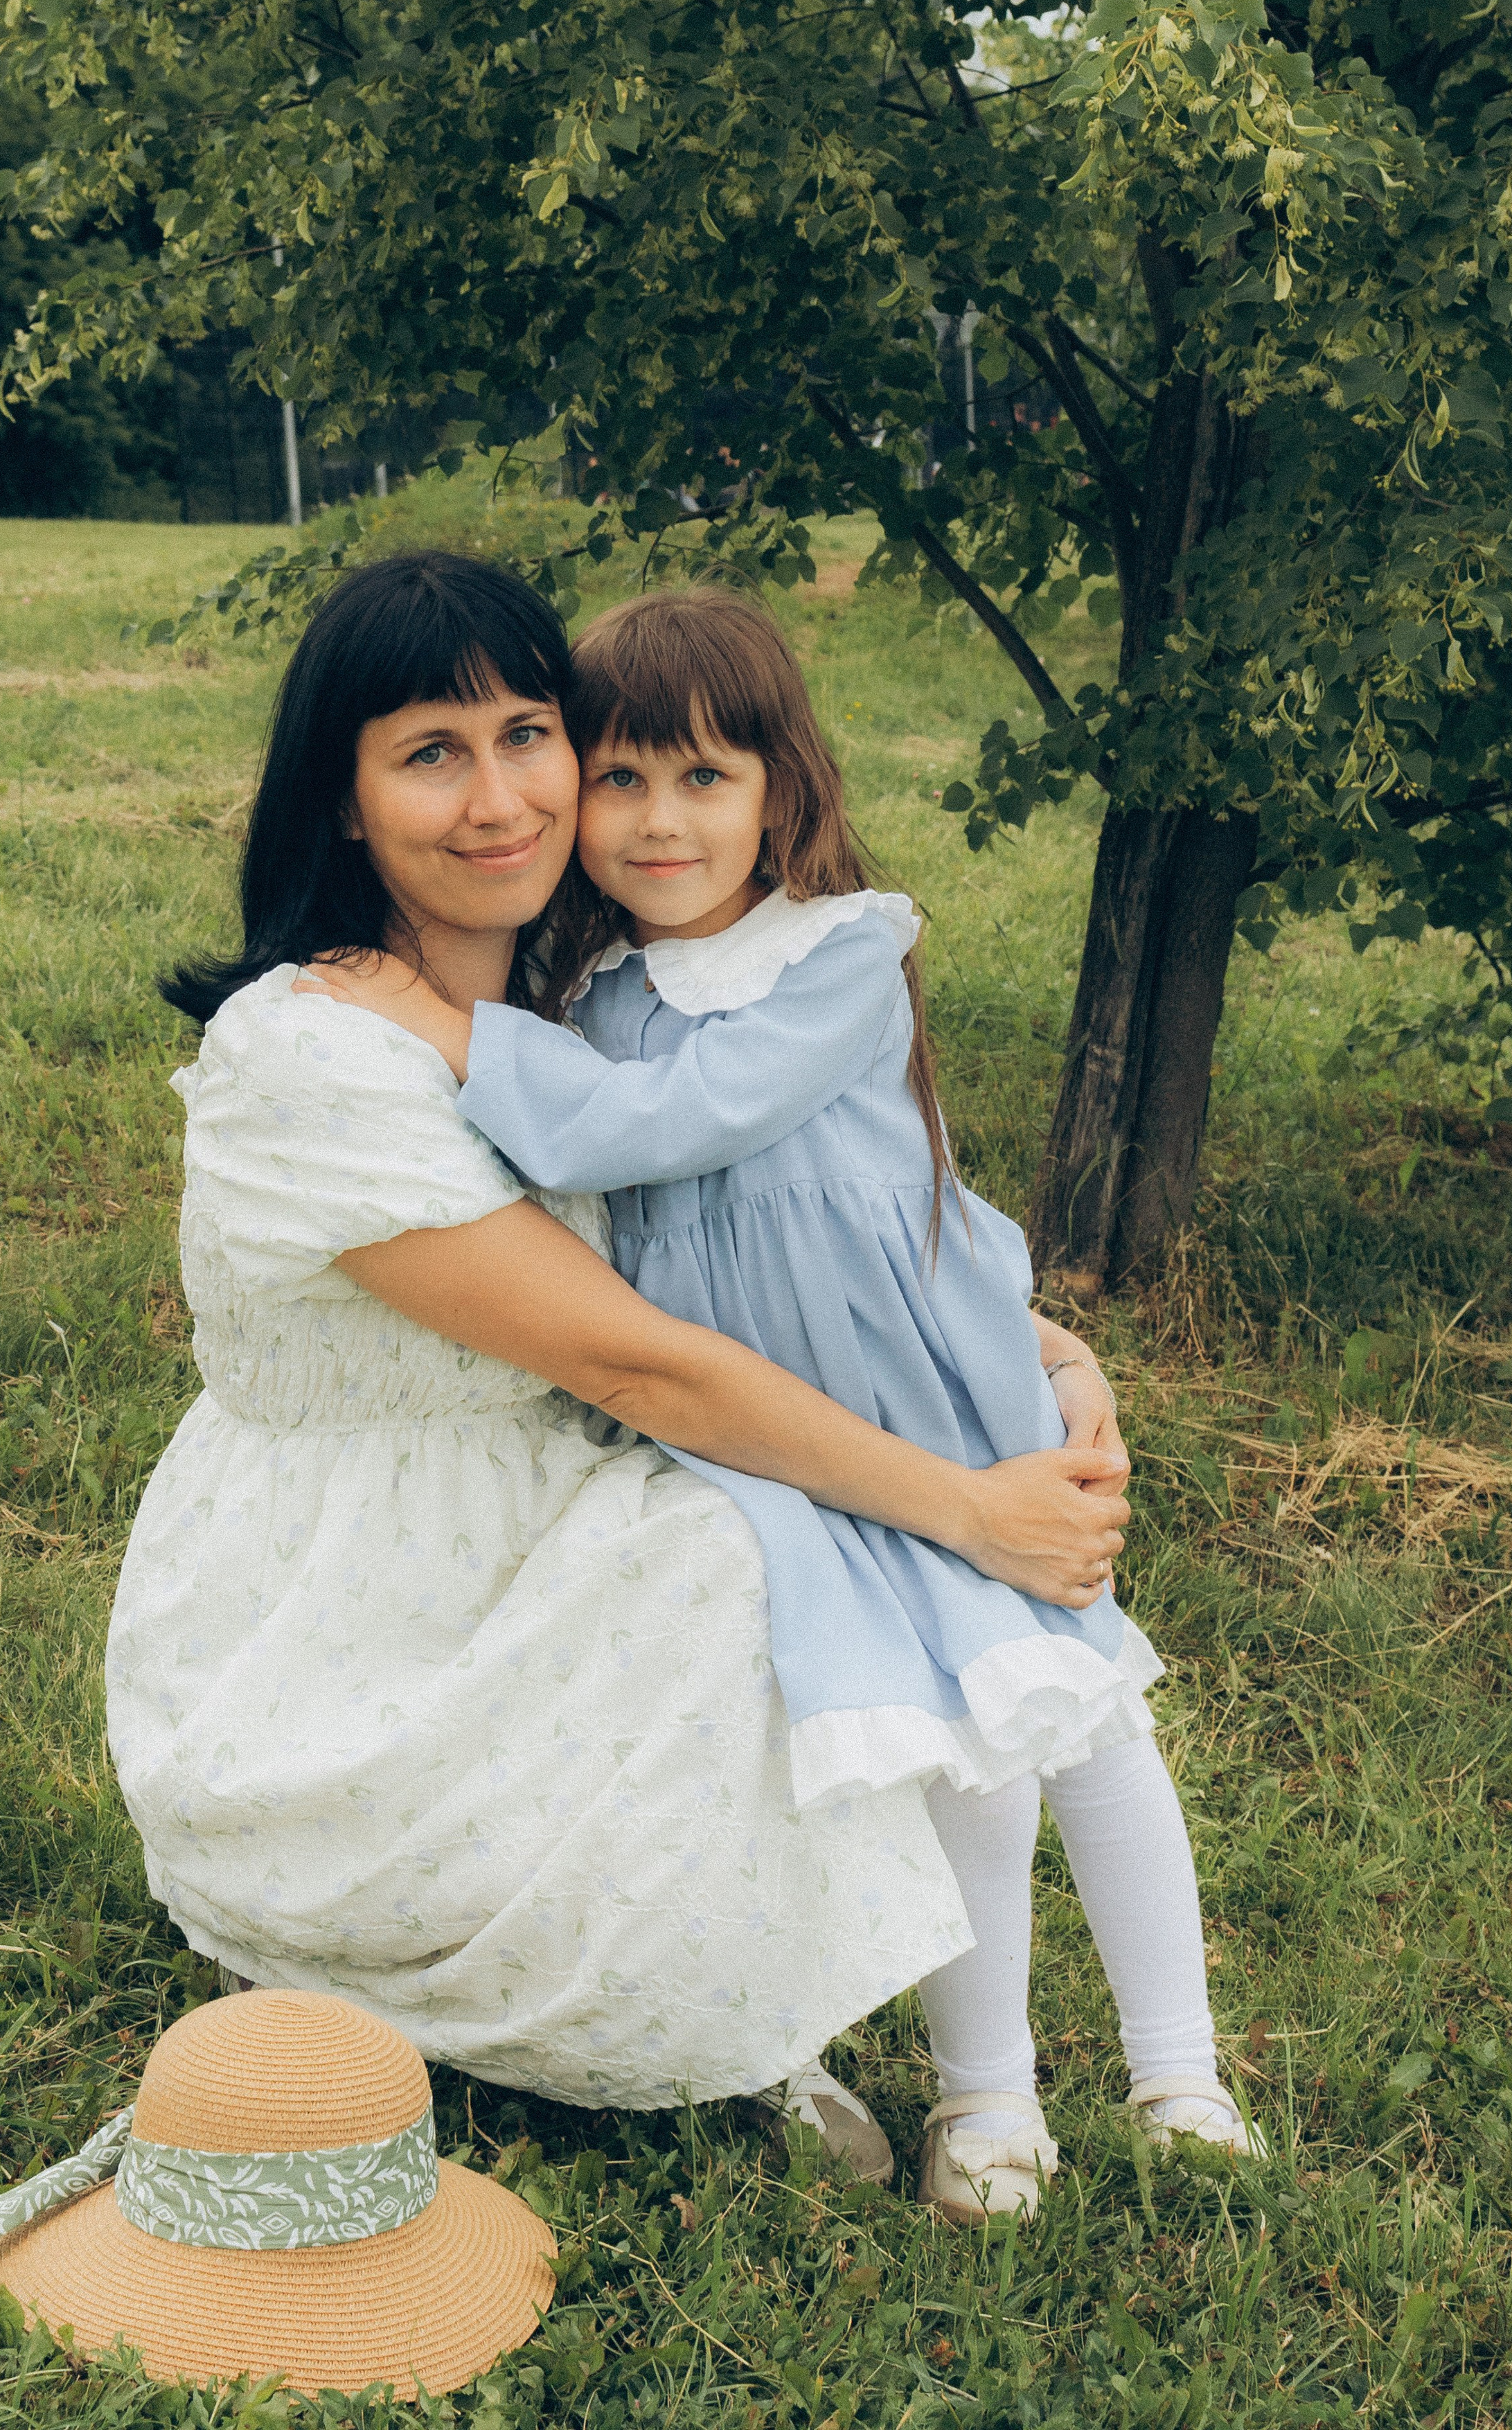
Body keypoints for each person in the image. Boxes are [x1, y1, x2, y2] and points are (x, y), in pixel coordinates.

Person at [107, 551, 1129, 2181]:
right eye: (430, 753)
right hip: (353, 1613)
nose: (501, 795)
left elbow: (789, 1215)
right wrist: (969, 1510)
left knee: (769, 1547)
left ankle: (741, 2002)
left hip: (554, 1510)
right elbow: (645, 1363)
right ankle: (422, 1943)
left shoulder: (585, 1002)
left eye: (528, 734)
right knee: (779, 1550)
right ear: (342, 798)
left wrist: (1011, 1330)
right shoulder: (311, 1055)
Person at [390, 588, 1264, 2224]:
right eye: (624, 779)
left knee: (1086, 1732)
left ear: (782, 790)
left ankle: (1179, 2073)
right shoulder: (590, 1009)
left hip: (940, 1402)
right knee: (960, 1768)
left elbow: (661, 1132)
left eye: (705, 779)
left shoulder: (839, 955)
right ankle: (987, 2103)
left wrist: (445, 1034)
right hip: (786, 1450)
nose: (660, 822)